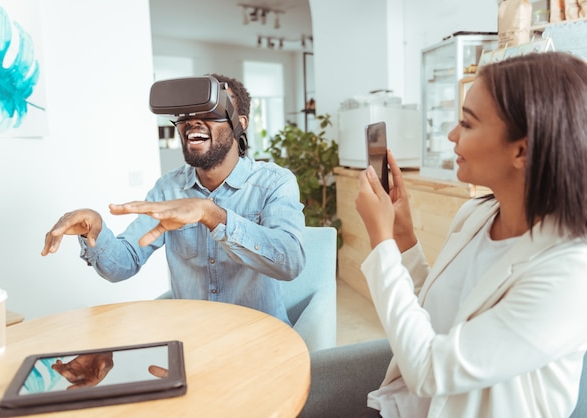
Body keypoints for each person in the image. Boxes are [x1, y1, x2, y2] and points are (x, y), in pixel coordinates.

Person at [354, 51, 587, 417]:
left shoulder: (568, 275)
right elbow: (436, 316)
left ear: (522, 150)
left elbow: (431, 371)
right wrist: (402, 238)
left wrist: (380, 242)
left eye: (468, 123)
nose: (451, 135)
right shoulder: (476, 214)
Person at [41, 73, 306, 325]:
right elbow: (123, 264)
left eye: (210, 111)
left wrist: (212, 215)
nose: (193, 121)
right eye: (186, 114)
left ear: (240, 124)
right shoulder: (169, 189)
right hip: (195, 341)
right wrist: (95, 231)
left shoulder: (274, 182)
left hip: (261, 340)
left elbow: (290, 262)